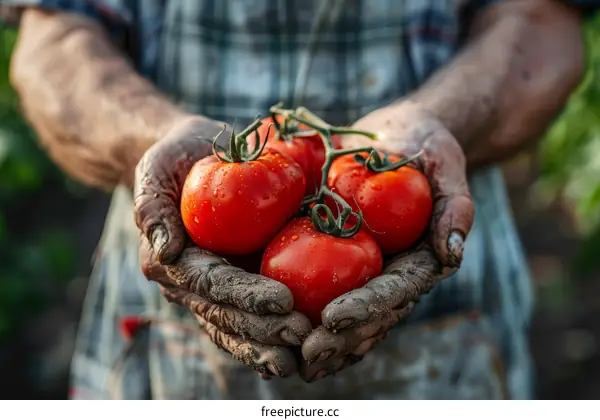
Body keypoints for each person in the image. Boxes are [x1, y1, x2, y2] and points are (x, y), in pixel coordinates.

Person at [1, 0, 595, 400]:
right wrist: (152, 138)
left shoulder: (317, 180)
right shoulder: (283, 177)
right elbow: (54, 35)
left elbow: (543, 21)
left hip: (455, 313)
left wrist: (437, 121)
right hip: (158, 328)